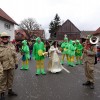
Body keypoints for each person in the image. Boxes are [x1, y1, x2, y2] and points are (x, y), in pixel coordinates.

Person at [0, 32, 18, 100]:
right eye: (3, 37)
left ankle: (10, 91)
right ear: (1, 38)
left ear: (8, 38)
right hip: (3, 67)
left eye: (6, 37)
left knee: (11, 78)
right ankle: (2, 93)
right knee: (2, 80)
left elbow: (15, 55)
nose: (5, 38)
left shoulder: (11, 45)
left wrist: (16, 63)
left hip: (11, 66)